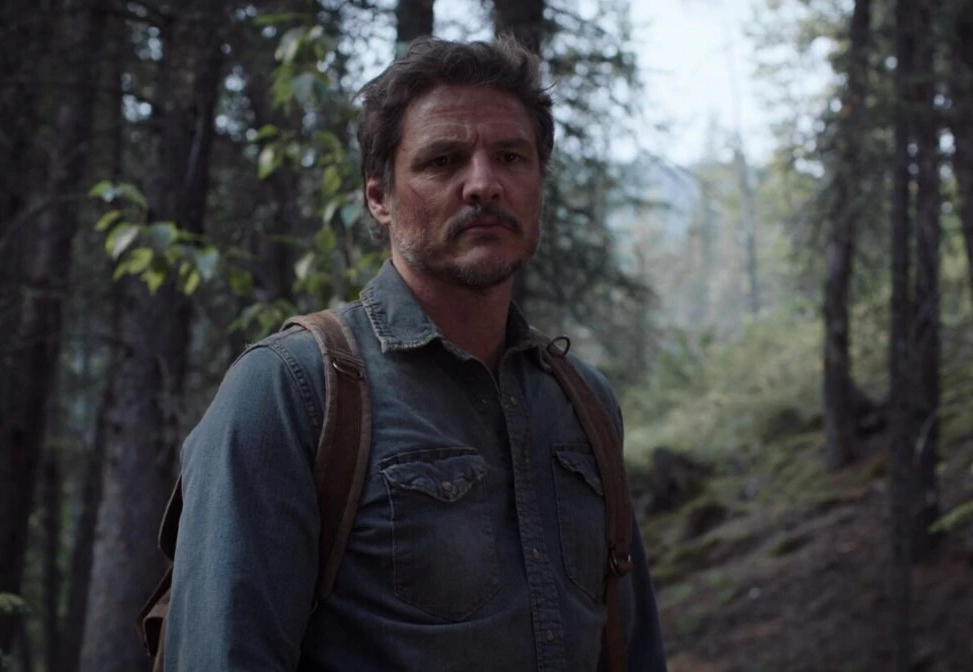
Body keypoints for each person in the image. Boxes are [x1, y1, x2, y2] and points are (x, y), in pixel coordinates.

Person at [164, 36, 667, 671]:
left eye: (511, 157)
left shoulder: (584, 401)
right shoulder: (290, 390)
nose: (483, 184)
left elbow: (632, 650)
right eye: (443, 161)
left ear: (539, 181)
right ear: (379, 196)